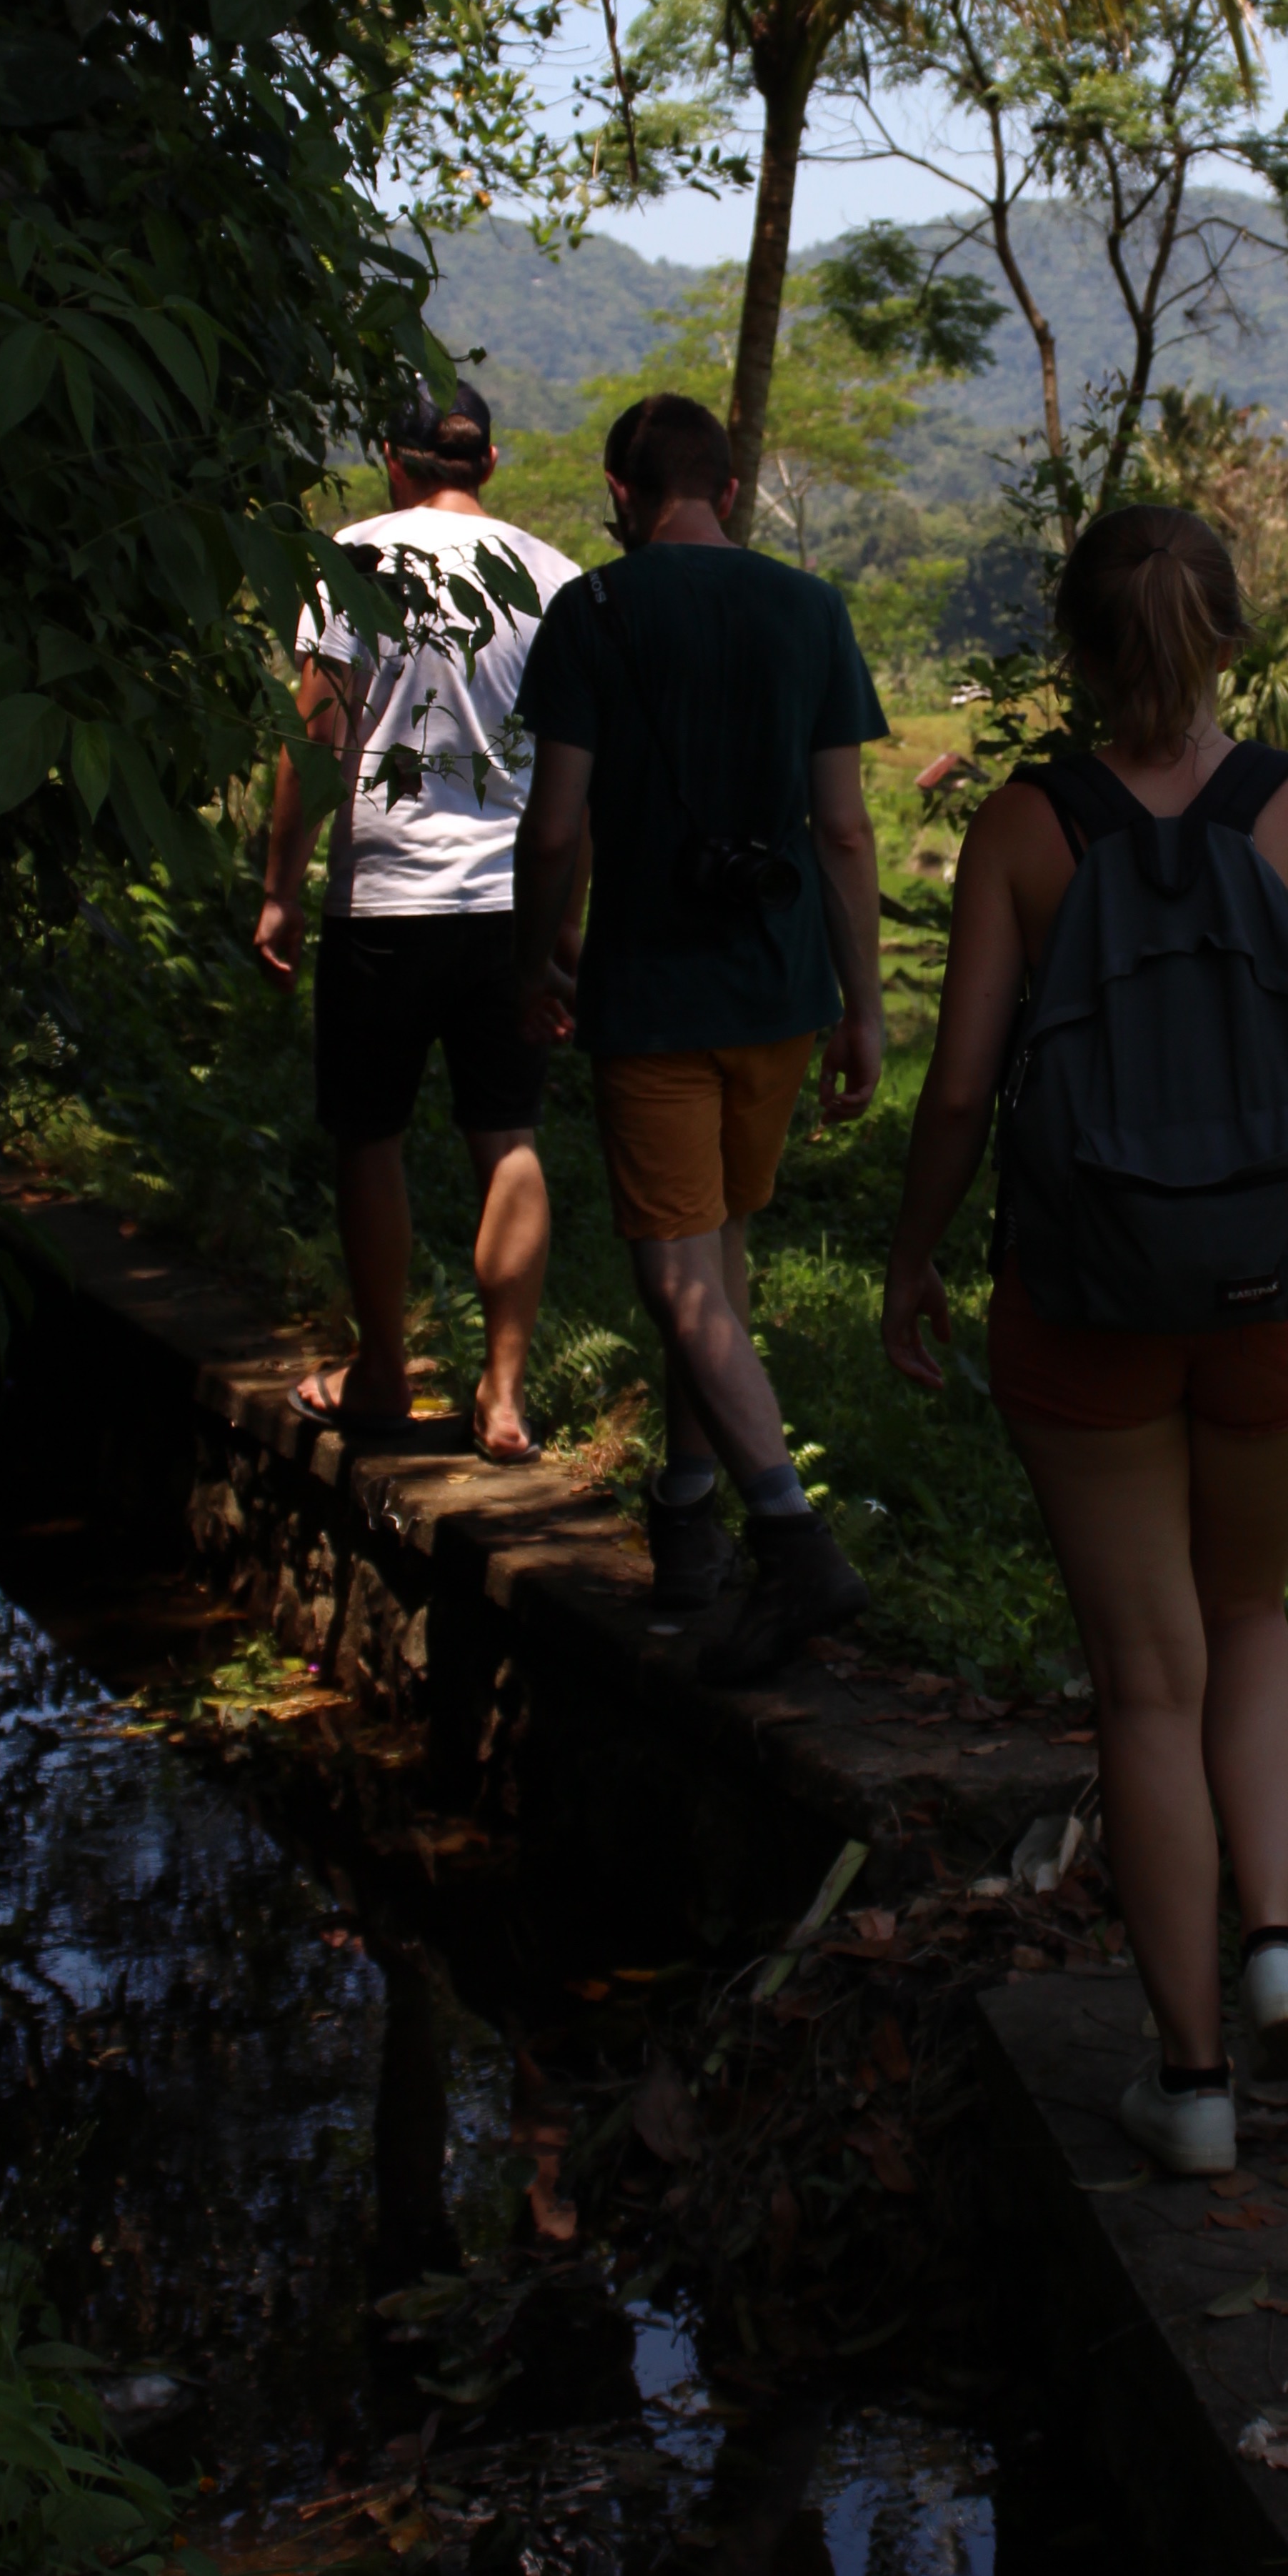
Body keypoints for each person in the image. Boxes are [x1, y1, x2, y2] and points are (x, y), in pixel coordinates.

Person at [879, 505, 1288, 2177]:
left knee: (1149, 1684)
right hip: (1282, 1288)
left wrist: (914, 1258)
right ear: (1232, 642)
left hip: (1084, 1301)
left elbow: (961, 1088)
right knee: (1252, 1611)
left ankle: (1193, 2084)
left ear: (1073, 646)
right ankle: (1278, 1941)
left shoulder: (1024, 826)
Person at [511, 390, 889, 1686]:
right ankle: (685, 1516)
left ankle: (790, 1536)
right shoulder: (813, 610)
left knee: (676, 1275)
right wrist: (865, 1007)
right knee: (717, 1254)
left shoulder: (594, 611)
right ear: (729, 491)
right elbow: (845, 830)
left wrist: (535, 959)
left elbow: (556, 827)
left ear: (622, 494)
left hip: (654, 996)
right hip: (781, 997)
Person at [255, 382, 583, 1463]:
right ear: (490, 463)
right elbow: (577, 776)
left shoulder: (353, 558)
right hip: (508, 905)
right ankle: (503, 1397)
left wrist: (280, 886)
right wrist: (566, 930)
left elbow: (317, 731)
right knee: (509, 1134)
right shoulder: (556, 579)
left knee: (370, 1133)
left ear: (392, 461)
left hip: (384, 900)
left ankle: (385, 1374)